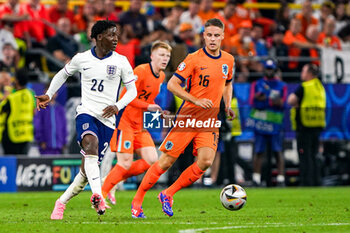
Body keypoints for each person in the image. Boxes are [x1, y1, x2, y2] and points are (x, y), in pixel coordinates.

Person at [130, 18, 235, 218]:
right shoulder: (193, 58)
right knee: (166, 162)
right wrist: (195, 100)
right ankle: (138, 200)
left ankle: (168, 193)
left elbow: (228, 83)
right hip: (188, 117)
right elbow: (172, 85)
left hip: (209, 120)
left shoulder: (228, 60)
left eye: (216, 35)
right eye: (209, 35)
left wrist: (227, 105)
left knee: (205, 162)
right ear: (203, 36)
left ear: (222, 36)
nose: (212, 39)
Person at [35, 20, 137, 219]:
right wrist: (49, 93)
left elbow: (132, 91)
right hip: (86, 112)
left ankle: (61, 202)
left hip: (107, 120)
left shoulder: (121, 61)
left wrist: (118, 106)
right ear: (99, 37)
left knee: (84, 173)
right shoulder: (82, 59)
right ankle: (98, 195)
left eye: (117, 35)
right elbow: (63, 74)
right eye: (111, 35)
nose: (116, 39)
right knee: (91, 143)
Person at [101, 41, 172, 204]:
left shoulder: (161, 76)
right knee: (124, 163)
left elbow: (148, 97)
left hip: (139, 125)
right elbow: (125, 97)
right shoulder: (140, 71)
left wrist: (157, 111)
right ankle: (101, 195)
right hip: (124, 122)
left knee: (152, 160)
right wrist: (148, 106)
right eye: (161, 55)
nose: (165, 58)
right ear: (152, 56)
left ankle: (113, 179)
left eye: (167, 56)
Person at [249, 59, 287, 187]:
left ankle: (281, 179)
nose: (269, 71)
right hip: (261, 123)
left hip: (275, 123)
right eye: (267, 68)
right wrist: (272, 100)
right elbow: (252, 102)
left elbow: (283, 104)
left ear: (275, 70)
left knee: (278, 150)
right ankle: (256, 178)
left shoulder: (282, 85)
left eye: (271, 69)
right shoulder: (257, 84)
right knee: (259, 151)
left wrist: (266, 99)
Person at [287, 64, 326, 186]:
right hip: (317, 125)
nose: (301, 73)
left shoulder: (305, 86)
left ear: (309, 74)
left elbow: (291, 100)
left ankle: (306, 182)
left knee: (305, 155)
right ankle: (317, 181)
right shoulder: (320, 87)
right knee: (314, 155)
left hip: (304, 126)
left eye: (303, 71)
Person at [0, 68, 35, 155]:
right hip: (26, 135)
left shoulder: (12, 97)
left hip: (12, 136)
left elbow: (2, 109)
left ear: (17, 80)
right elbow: (34, 112)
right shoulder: (31, 95)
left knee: (11, 163)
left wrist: (6, 96)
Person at [34, 90, 67, 155]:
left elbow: (64, 126)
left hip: (58, 146)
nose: (52, 94)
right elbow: (38, 125)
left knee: (57, 164)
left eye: (54, 92)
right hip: (45, 145)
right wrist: (41, 140)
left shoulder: (60, 109)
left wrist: (64, 142)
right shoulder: (41, 108)